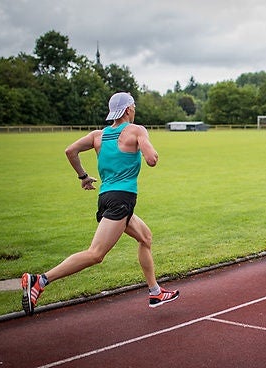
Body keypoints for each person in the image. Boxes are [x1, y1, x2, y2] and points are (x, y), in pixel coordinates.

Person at [21, 92, 179, 316]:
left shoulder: (99, 135)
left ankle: (155, 292)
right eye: (133, 106)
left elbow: (70, 151)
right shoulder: (136, 130)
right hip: (121, 200)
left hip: (108, 198)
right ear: (127, 110)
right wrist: (150, 152)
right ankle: (40, 280)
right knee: (96, 254)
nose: (134, 110)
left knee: (146, 237)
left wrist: (83, 177)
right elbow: (152, 160)